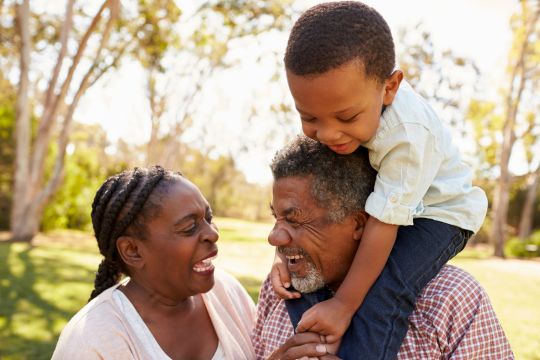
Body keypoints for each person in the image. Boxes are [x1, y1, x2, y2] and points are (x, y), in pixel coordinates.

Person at [270, 2, 489, 358]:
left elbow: (382, 225)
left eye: (345, 116)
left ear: (390, 88)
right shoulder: (348, 113)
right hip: (390, 205)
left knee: (386, 291)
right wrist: (289, 255)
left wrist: (343, 305)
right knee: (313, 276)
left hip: (438, 214)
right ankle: (316, 344)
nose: (326, 133)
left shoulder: (406, 135)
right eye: (309, 116)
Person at [254, 136, 513, 359]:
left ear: (358, 224)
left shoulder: (450, 299)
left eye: (294, 219)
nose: (274, 239)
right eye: (275, 217)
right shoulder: (278, 288)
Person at [52, 166, 256, 359]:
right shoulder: (91, 343)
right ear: (133, 251)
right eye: (189, 227)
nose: (213, 234)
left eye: (208, 219)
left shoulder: (227, 291)